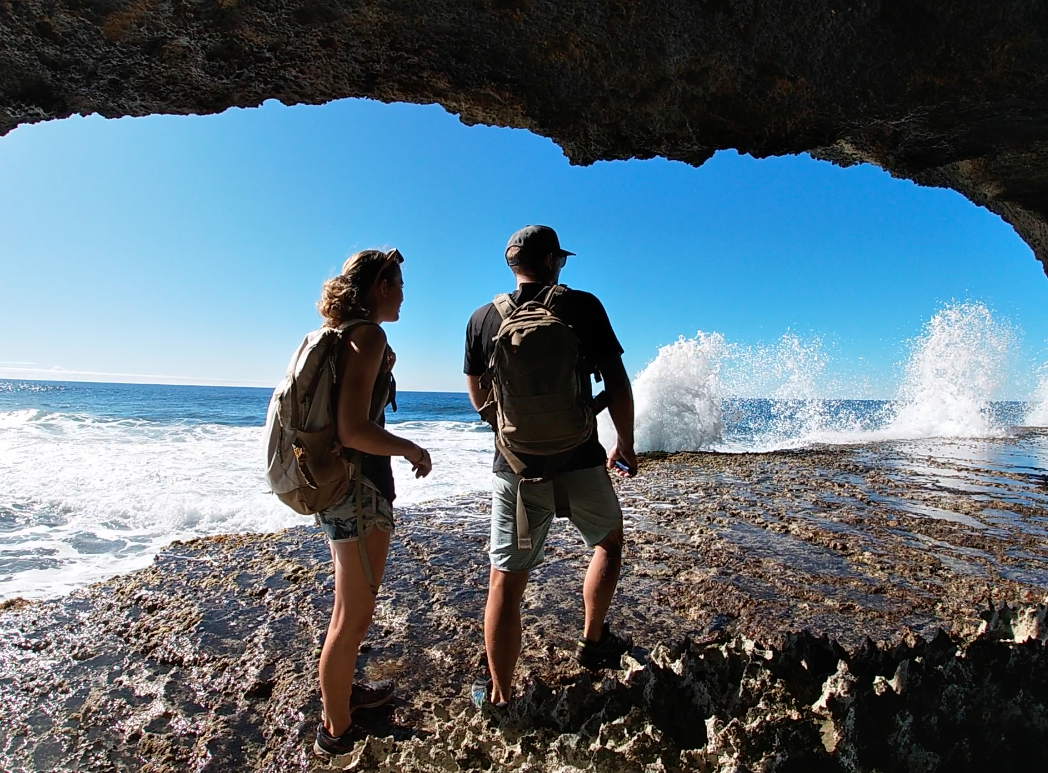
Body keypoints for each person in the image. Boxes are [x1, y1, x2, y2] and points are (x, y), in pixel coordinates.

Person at [463, 225, 637, 710]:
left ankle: (499, 695)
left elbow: (477, 390)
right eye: (560, 258)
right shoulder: (583, 306)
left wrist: (504, 427)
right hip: (581, 458)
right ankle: (594, 640)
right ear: (550, 261)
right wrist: (624, 442)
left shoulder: (482, 318)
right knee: (607, 542)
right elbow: (617, 382)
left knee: (507, 580)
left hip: (517, 469)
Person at [313, 248, 433, 757]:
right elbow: (353, 428)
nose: (404, 293)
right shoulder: (367, 334)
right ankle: (335, 735)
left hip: (338, 487)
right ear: (380, 286)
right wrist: (410, 447)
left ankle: (345, 699)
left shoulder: (345, 337)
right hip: (360, 492)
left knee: (347, 609)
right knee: (352, 618)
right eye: (398, 283)